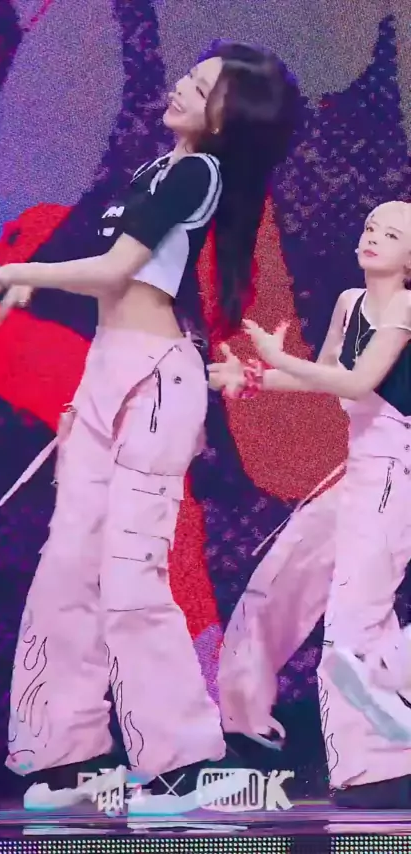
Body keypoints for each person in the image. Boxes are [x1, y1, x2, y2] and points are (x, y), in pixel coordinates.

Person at [0, 42, 300, 810]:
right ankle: (63, 759)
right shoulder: (156, 170)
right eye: (190, 75)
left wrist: (11, 275)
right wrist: (20, 285)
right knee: (67, 568)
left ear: (228, 117)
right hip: (105, 372)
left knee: (134, 572)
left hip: (154, 381)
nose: (182, 86)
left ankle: (177, 762)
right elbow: (105, 277)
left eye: (202, 86)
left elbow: (113, 272)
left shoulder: (199, 173)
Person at [209, 200, 411, 808]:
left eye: (391, 234)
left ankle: (379, 768)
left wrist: (274, 359)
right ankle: (258, 728)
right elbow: (320, 376)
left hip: (397, 467)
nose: (373, 237)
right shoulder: (351, 302)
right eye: (371, 227)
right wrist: (253, 377)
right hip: (361, 462)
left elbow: (357, 382)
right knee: (287, 585)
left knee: (354, 622)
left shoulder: (404, 307)